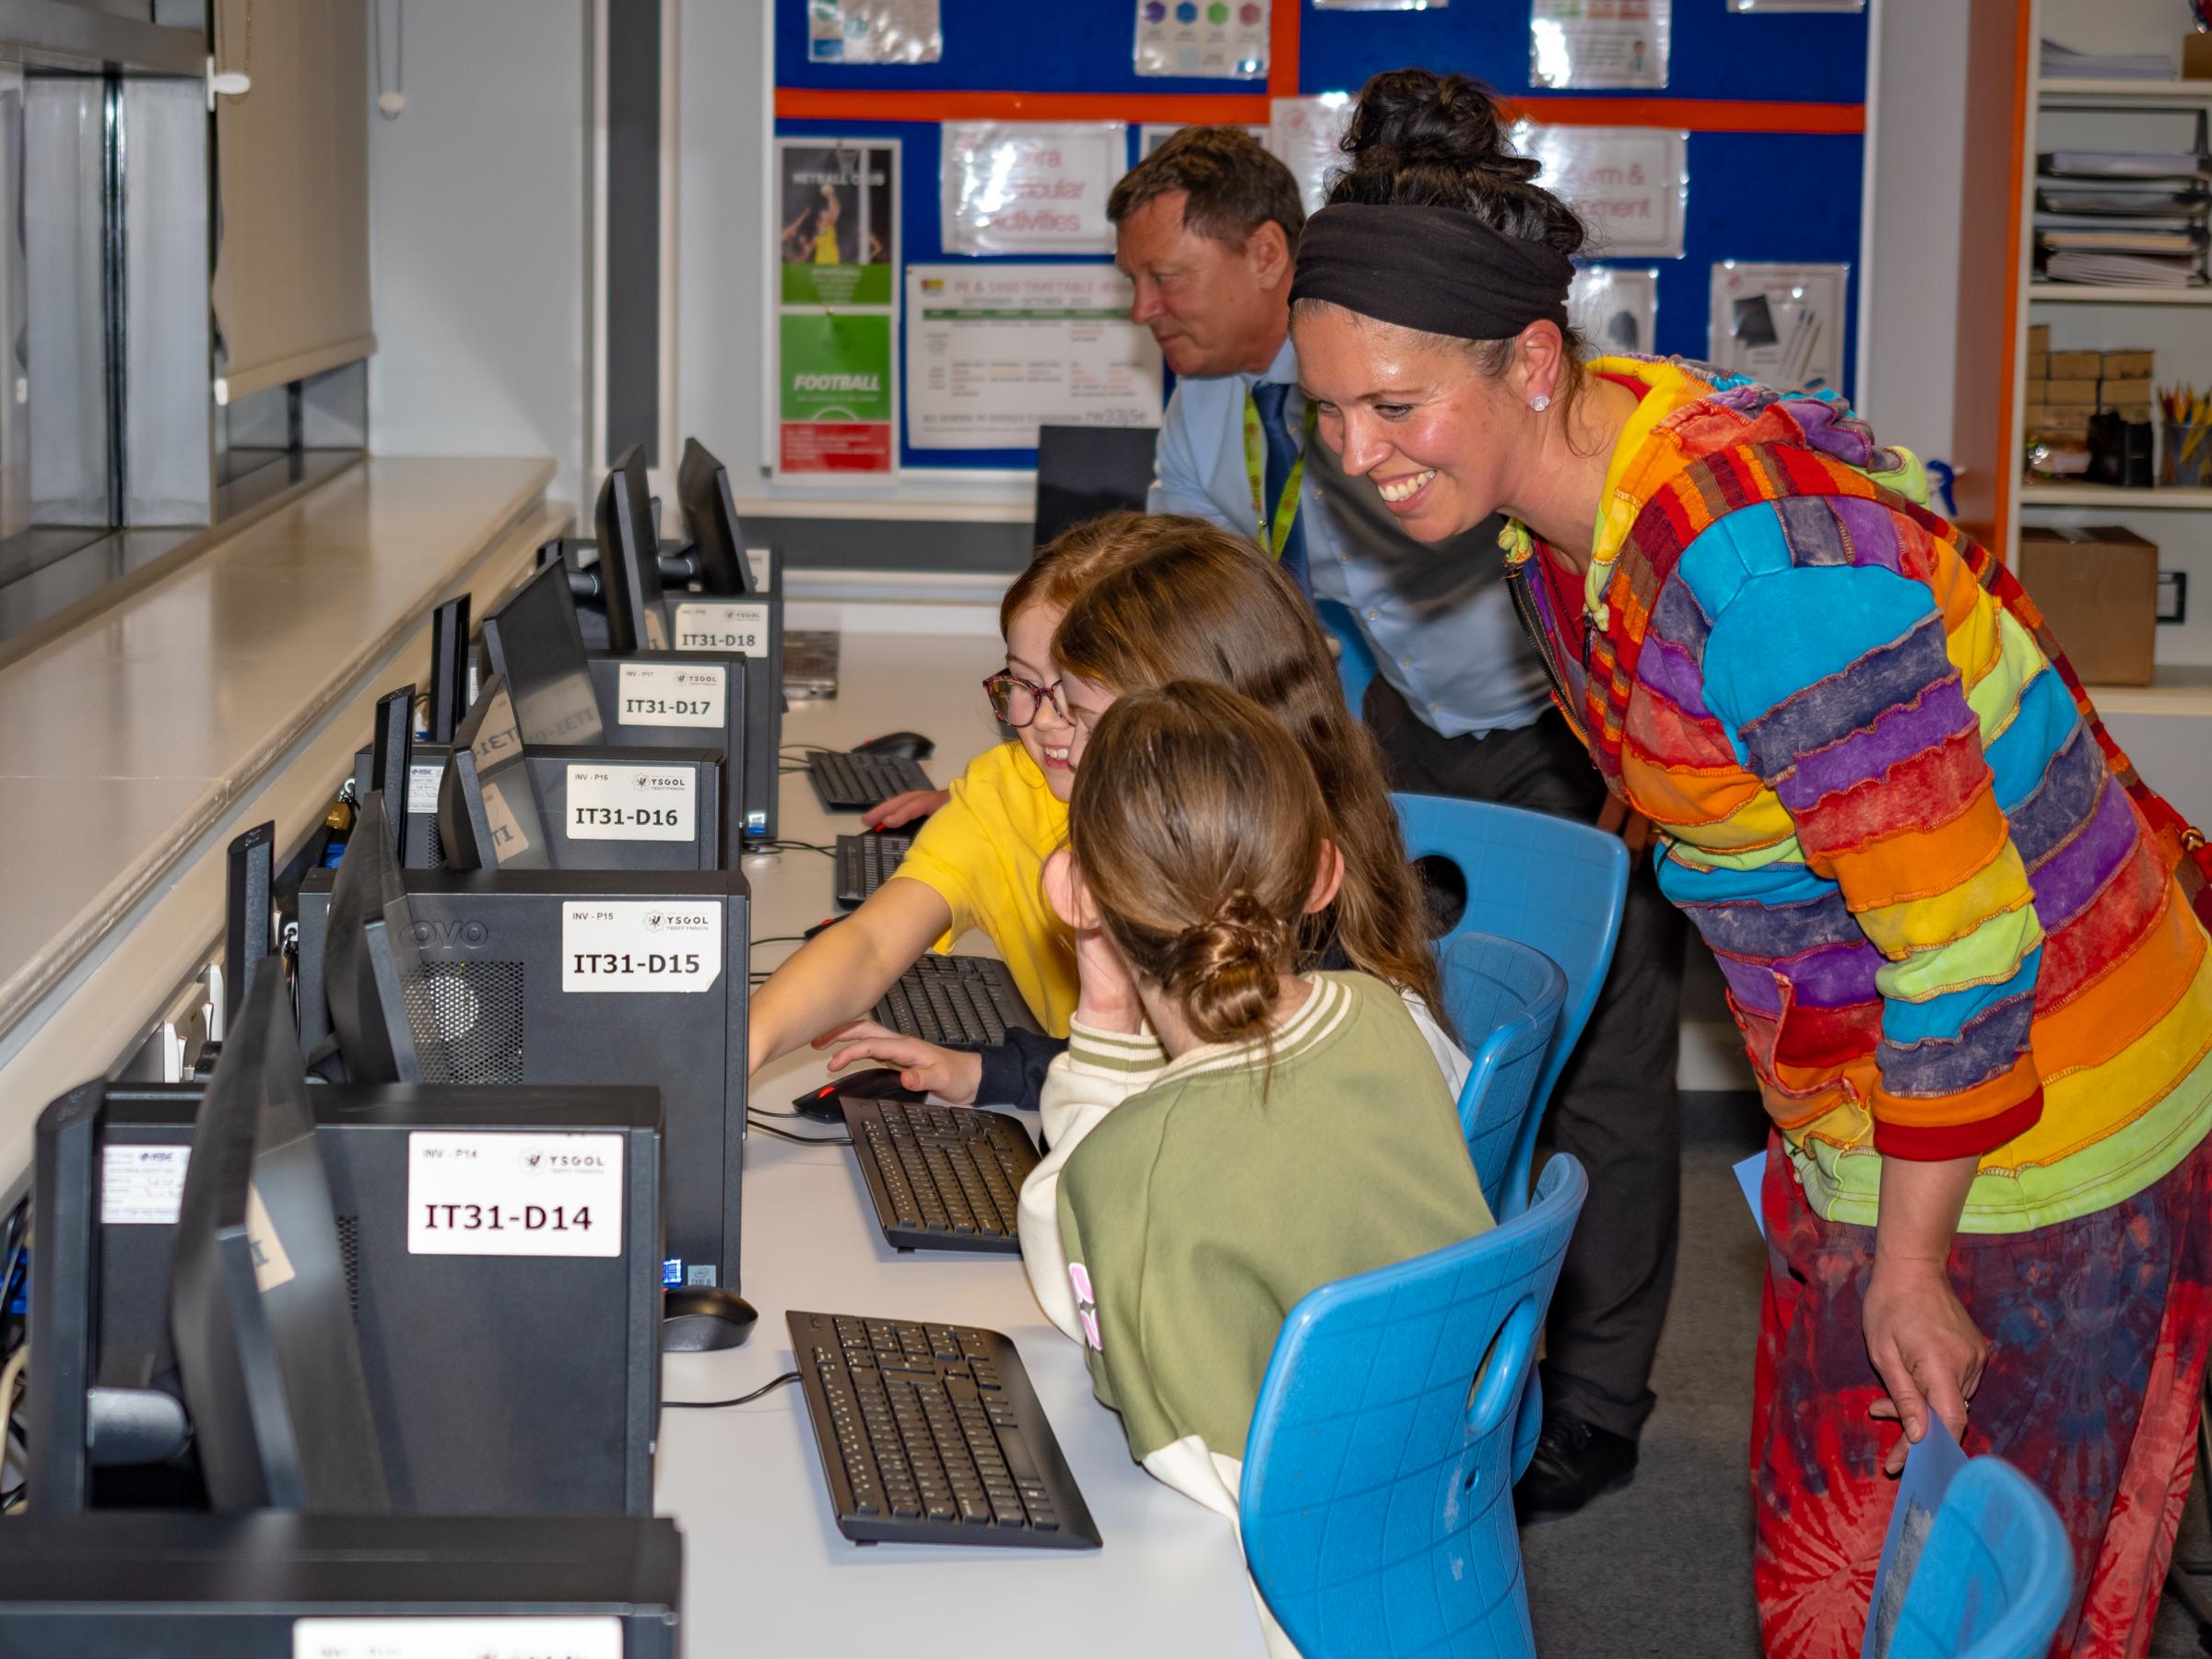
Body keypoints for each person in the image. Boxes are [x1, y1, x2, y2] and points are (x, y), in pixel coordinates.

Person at [1288, 66, 2212, 1659]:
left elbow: (1965, 939)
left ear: (1527, 360)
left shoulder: (1763, 569)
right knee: (1827, 1579)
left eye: (1394, 405)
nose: (1357, 453)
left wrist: (1911, 1259)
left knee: (1965, 1603)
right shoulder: (1577, 486)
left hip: (2053, 1117)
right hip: (1873, 1108)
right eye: (1324, 409)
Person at [1111, 119, 1687, 1517]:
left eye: (1168, 277)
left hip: (1562, 725)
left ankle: (1594, 1407)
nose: (1147, 310)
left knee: (1599, 1055)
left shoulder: (1448, 392)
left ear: (1270, 257)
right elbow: (1206, 609)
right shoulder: (1224, 410)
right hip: (1409, 726)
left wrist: (1630, 791)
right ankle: (1408, 1362)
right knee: (1399, 1035)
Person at [1018, 679, 1495, 1659]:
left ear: (1075, 893)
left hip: (1254, 1604)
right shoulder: (1387, 1021)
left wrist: (1101, 1015)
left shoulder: (1125, 1175)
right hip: (1420, 1525)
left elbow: (1061, 1250)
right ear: (1323, 873)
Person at [821, 516, 1470, 1109]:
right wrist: (994, 1073)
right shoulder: (1263, 881)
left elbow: (1164, 1121)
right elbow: (1166, 1074)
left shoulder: (1313, 1010)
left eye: (1090, 721)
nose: (1065, 743)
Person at [745, 515, 1124, 1104]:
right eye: (1025, 683)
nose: (1047, 719)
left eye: (1074, 693)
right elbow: (869, 944)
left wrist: (997, 1073)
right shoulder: (1002, 793)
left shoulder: (1207, 834)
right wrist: (740, 1045)